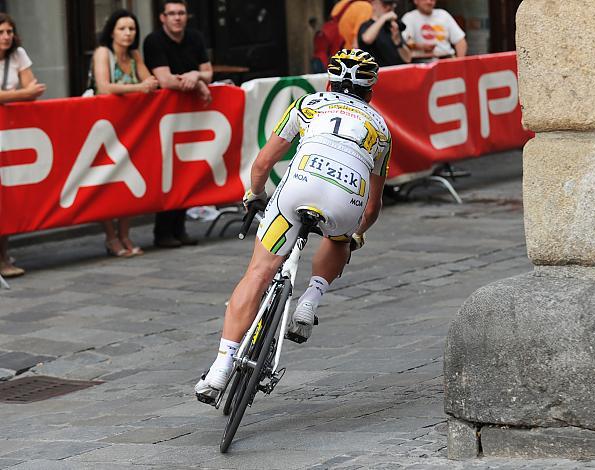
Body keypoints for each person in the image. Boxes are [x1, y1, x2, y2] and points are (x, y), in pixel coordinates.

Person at [195, 49, 391, 398]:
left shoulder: (309, 104)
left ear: (329, 82)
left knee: (258, 272)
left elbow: (261, 165)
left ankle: (221, 368)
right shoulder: (381, 128)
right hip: (346, 197)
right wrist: (356, 236)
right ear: (370, 93)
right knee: (340, 237)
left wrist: (254, 194)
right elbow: (373, 206)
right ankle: (311, 300)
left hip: (300, 184)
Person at [143, 0, 212, 248]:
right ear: (162, 17)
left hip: (190, 115)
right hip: (164, 117)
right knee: (168, 171)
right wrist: (199, 82)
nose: (177, 18)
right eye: (171, 14)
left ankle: (179, 228)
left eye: (181, 13)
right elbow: (165, 80)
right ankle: (162, 232)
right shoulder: (154, 40)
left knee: (187, 169)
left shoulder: (194, 37)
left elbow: (207, 71)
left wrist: (197, 76)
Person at [92, 9, 158, 258]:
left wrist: (145, 85)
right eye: (122, 28)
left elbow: (149, 82)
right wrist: (139, 87)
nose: (128, 33)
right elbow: (104, 86)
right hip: (102, 127)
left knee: (126, 179)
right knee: (106, 180)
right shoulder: (103, 53)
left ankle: (125, 234)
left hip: (129, 127)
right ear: (111, 31)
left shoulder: (134, 55)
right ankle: (111, 237)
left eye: (131, 29)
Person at [0, 13, 46, 279]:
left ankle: (4, 254)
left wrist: (16, 96)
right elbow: (27, 92)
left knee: (7, 196)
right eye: (1, 32)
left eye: (9, 31)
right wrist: (21, 95)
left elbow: (33, 86)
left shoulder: (18, 54)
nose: (6, 36)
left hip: (11, 135)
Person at [401, 0, 467, 62]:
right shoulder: (409, 17)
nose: (429, 2)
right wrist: (421, 46)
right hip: (421, 62)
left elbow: (460, 40)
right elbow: (405, 42)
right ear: (415, 1)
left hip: (446, 59)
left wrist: (459, 62)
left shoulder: (443, 14)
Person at [358, 0, 412, 66]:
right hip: (378, 72)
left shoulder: (393, 26)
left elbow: (408, 58)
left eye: (392, 4)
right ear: (374, 4)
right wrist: (384, 17)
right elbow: (367, 39)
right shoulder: (366, 26)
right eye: (385, 4)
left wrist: (398, 43)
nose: (389, 7)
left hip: (396, 71)